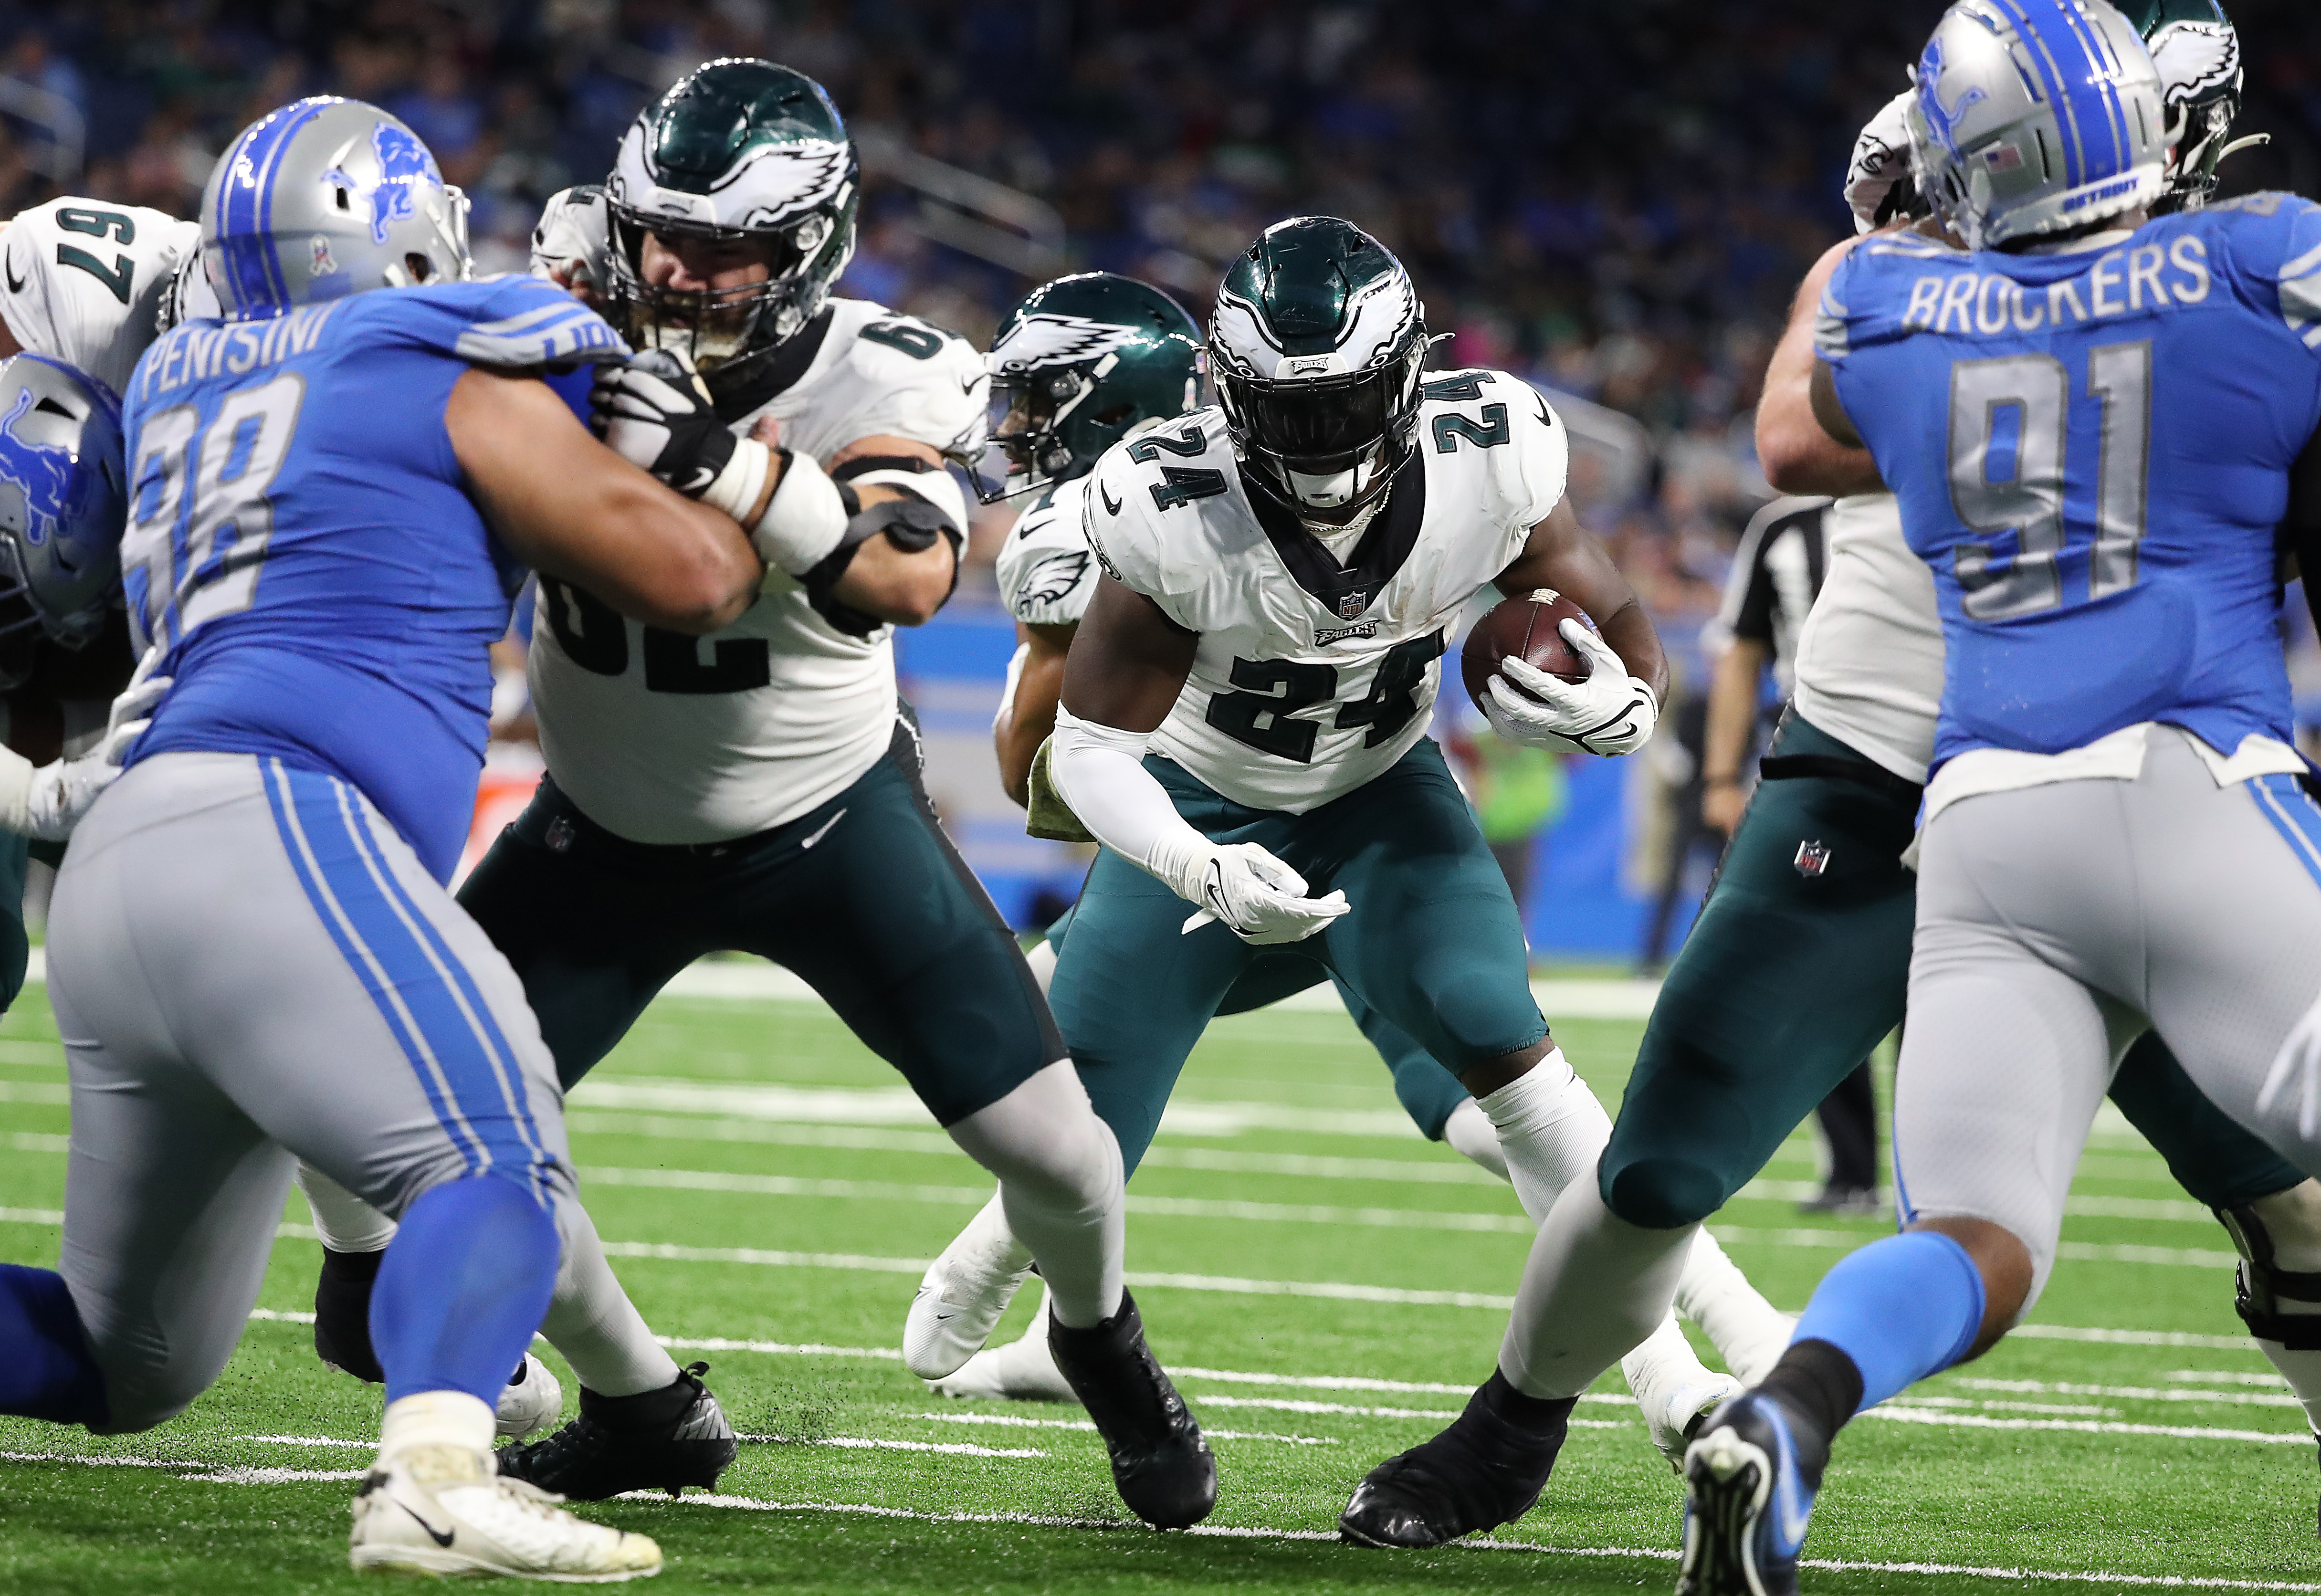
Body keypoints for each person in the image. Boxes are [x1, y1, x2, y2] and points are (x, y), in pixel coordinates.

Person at [1339, 0, 2321, 1562]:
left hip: (2026, 799)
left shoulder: (2065, 289)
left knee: (2280, 1206)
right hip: (1882, 779)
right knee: (1660, 1161)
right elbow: (1795, 428)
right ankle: (1509, 1425)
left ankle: (1764, 1413)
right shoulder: (2040, 271)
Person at [291, 58, 1220, 1532]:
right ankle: (642, 1405)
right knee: (380, 1140)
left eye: (725, 249)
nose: (682, 271)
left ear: (812, 253)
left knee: (1058, 1155)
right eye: (663, 235)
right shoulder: (555, 313)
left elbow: (908, 571)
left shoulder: (891, 366)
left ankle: (1104, 1341)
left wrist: (718, 463)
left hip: (831, 827)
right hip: (595, 837)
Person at [0, 94, 778, 1579]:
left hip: (120, 870)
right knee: (500, 1164)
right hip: (281, 821)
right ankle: (432, 1472)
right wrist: (748, 487)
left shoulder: (173, 378)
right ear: (409, 243)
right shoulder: (445, 334)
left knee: (128, 1358)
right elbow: (689, 575)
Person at [910, 219, 1794, 1491]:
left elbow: (1606, 610)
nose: (1320, 446)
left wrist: (1632, 701)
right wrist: (1198, 865)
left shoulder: (1491, 450)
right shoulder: (1166, 502)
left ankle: (1682, 1363)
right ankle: (1039, 1323)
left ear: (1405, 382)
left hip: (1384, 796)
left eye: (1342, 411)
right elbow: (1086, 756)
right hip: (1205, 807)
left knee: (1499, 1035)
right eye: (1289, 413)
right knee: (1071, 1141)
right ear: (1225, 390)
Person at [1680, 3, 2321, 1588]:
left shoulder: (1900, 311)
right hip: (2194, 782)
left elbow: (1801, 418)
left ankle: (1788, 1411)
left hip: (1982, 828)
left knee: (1977, 1237)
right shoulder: (2259, 255)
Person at [1702, 495, 1881, 1217]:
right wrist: (1720, 777)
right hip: (1817, 771)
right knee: (1816, 964)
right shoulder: (1784, 527)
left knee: (1938, 969)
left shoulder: (1936, 493)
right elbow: (1740, 653)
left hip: (1935, 762)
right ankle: (1852, 1172)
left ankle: (1953, 1185)